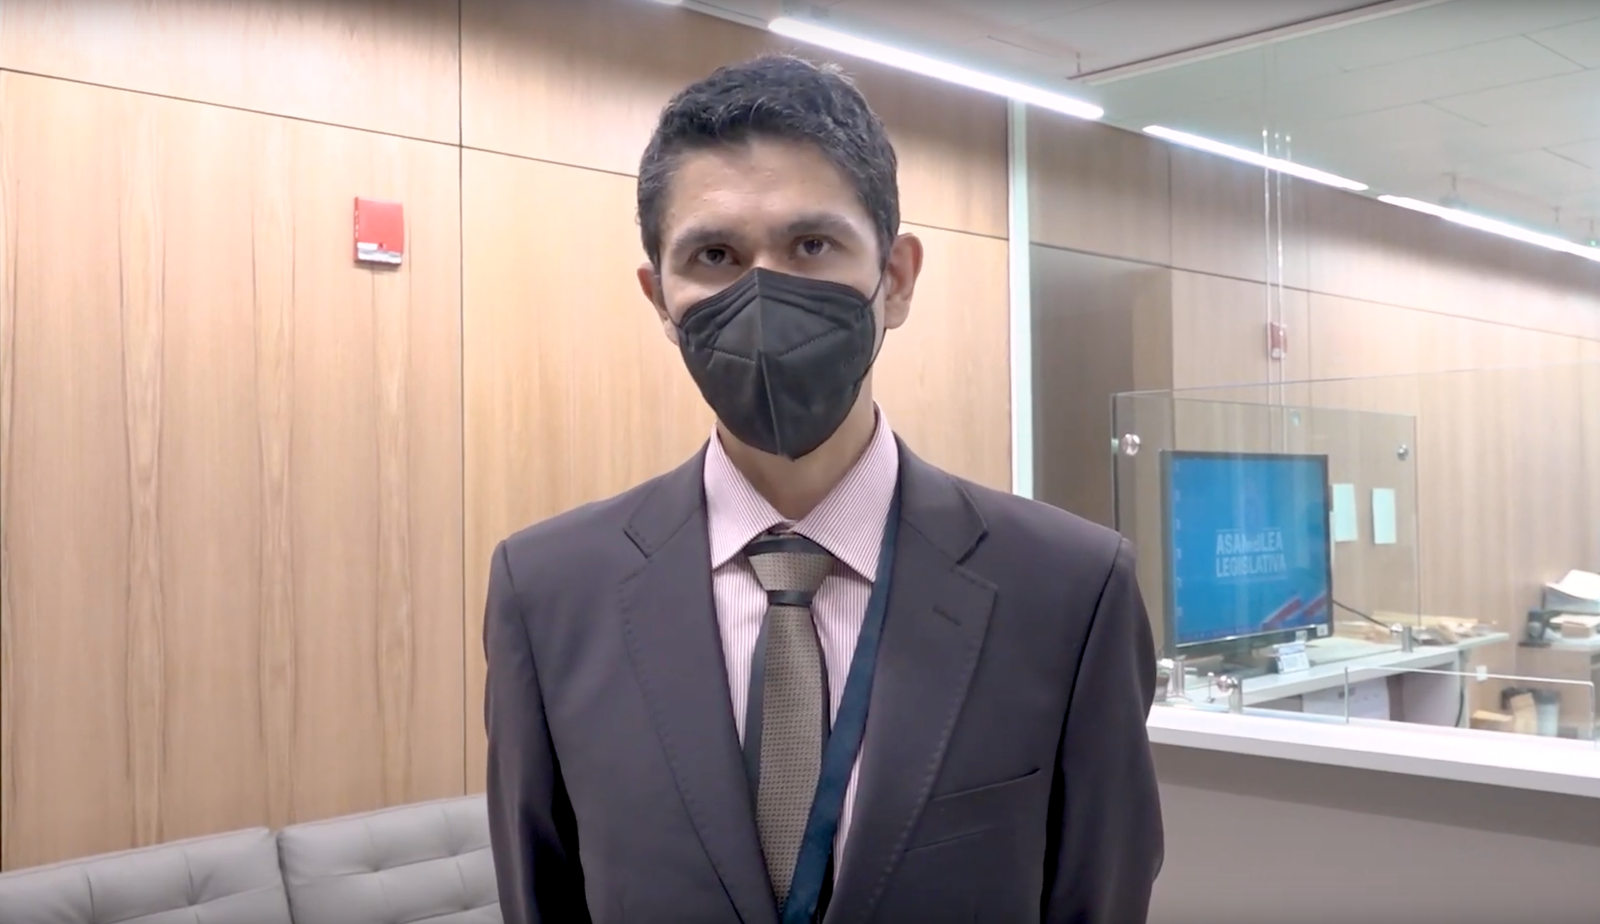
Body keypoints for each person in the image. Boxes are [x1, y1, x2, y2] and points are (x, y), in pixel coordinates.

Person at [483, 54, 1163, 924]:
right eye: (715, 255)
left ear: (897, 278)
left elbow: (1097, 895)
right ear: (660, 299)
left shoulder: (1070, 590)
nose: (764, 293)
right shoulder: (548, 593)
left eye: (812, 245)